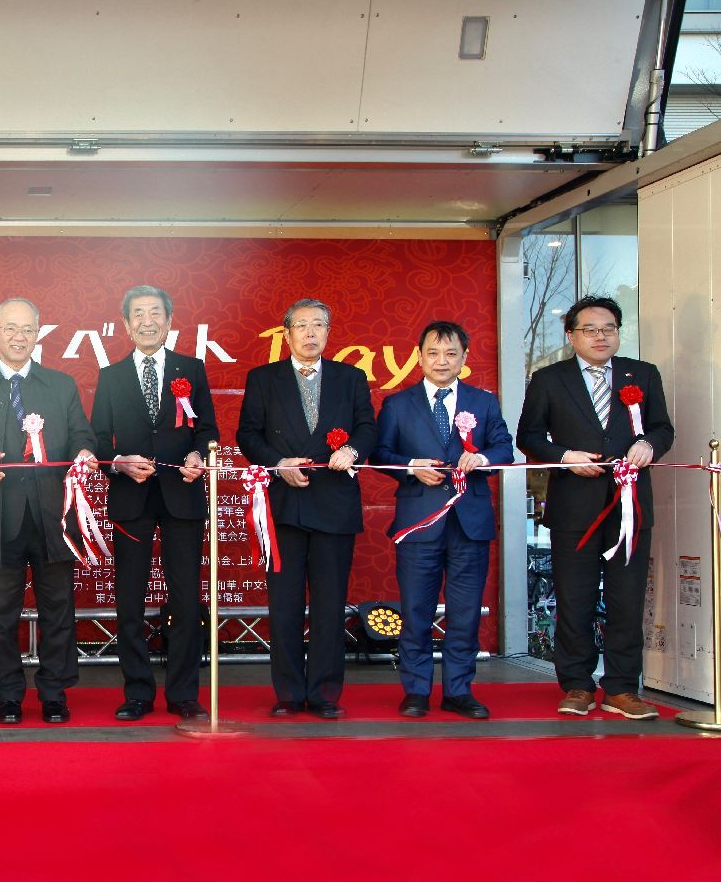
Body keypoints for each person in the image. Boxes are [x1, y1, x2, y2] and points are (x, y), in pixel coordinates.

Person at [516, 295, 673, 719]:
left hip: (630, 506)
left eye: (608, 329)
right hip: (574, 506)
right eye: (589, 330)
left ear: (618, 333)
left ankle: (622, 688)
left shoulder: (643, 374)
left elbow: (663, 428)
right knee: (574, 599)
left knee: (627, 600)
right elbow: (528, 436)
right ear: (571, 336)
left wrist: (649, 444)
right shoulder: (549, 379)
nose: (600, 336)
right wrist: (565, 456)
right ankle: (577, 685)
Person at [0, 297, 98, 724]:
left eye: (28, 329)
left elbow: (81, 434)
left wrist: (84, 452)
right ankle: (6, 696)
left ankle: (54, 692)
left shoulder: (60, 385)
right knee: (1, 613)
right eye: (10, 328)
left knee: (59, 608)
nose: (19, 337)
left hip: (53, 515)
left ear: (38, 335)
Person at [236, 298, 376, 719]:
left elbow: (368, 428)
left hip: (334, 504)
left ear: (329, 333)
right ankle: (289, 693)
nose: (310, 333)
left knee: (330, 605)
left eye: (319, 325)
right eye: (301, 325)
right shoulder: (264, 378)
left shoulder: (351, 378)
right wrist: (278, 464)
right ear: (287, 334)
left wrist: (353, 450)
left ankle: (325, 693)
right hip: (285, 505)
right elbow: (248, 434)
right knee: (285, 605)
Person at [372, 320, 513, 719]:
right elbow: (379, 453)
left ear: (464, 358)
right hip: (419, 521)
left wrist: (482, 458)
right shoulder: (398, 404)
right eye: (433, 353)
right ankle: (416, 690)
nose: (441, 361)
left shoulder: (483, 402)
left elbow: (505, 448)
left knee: (465, 613)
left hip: (470, 523)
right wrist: (411, 466)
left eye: (451, 354)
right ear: (419, 357)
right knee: (416, 611)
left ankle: (458, 690)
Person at [90, 285, 217, 722]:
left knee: (185, 599)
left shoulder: (191, 369)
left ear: (169, 320)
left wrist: (199, 456)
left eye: (155, 313)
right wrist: (118, 463)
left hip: (182, 495)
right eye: (139, 314)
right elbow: (97, 439)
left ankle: (183, 693)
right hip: (132, 497)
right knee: (130, 598)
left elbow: (207, 430)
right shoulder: (111, 376)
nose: (148, 321)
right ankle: (137, 692)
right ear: (126, 325)